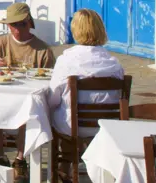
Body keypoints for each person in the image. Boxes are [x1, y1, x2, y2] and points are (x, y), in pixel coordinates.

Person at [0, 2, 56, 183]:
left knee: (29, 115)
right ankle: (0, 157)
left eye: (22, 24)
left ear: (29, 23)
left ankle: (20, 159)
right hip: (2, 96)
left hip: (28, 99)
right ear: (8, 26)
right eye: (13, 25)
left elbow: (51, 83)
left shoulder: (43, 50)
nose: (17, 29)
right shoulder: (0, 43)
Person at [48, 8, 124, 137]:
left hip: (73, 127)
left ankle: (68, 153)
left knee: (48, 112)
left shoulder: (66, 60)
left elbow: (53, 100)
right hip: (108, 127)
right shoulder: (115, 65)